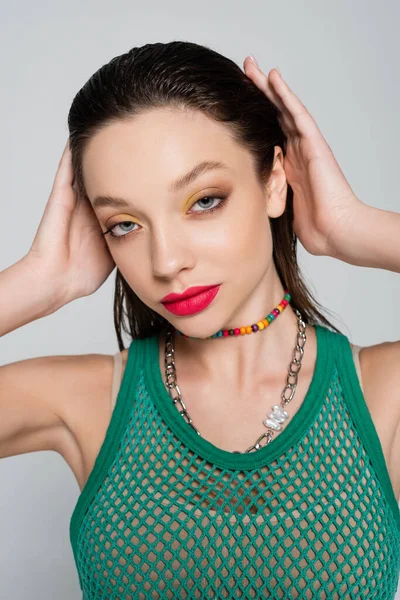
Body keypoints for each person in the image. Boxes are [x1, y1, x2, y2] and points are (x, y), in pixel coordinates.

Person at [1, 41, 399, 599]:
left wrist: (352, 227)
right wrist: (39, 282)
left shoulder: (381, 397)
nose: (165, 262)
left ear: (274, 181)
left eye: (204, 200)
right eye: (125, 224)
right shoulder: (90, 401)